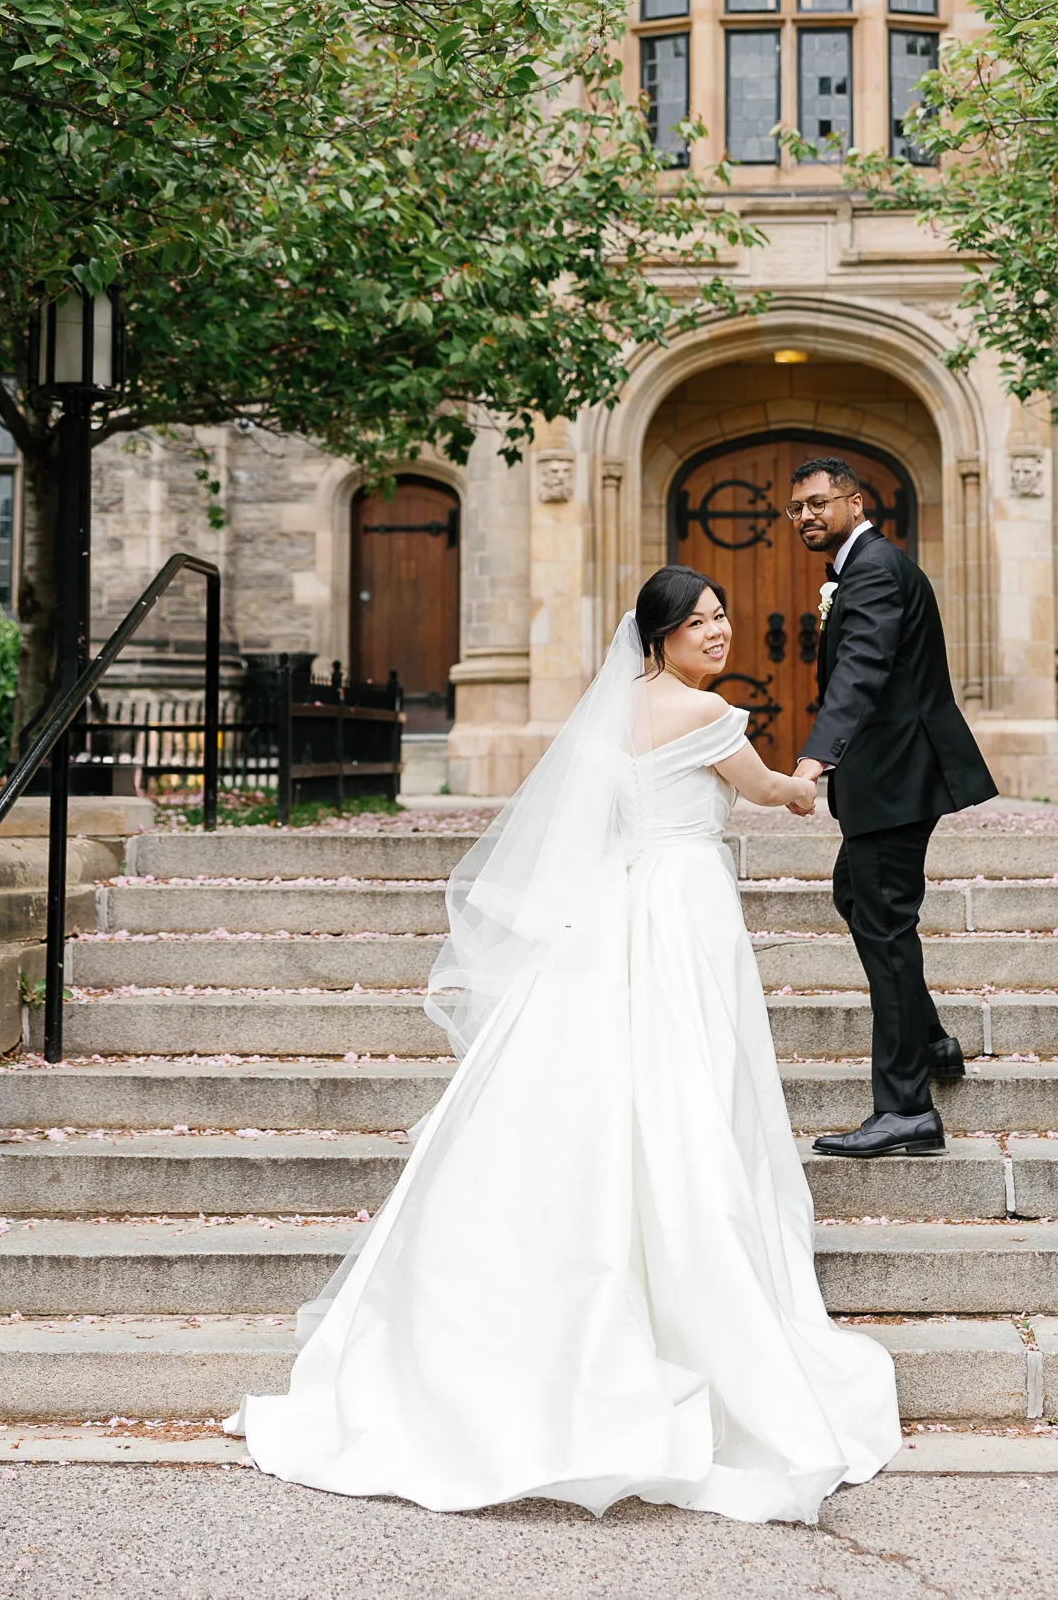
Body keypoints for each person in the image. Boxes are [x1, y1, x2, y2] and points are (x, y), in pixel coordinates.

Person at [227, 564, 901, 1522]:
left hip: (607, 912)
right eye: (700, 623)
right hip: (678, 911)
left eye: (723, 619)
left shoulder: (613, 711)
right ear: (659, 634)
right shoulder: (709, 718)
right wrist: (813, 776)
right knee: (686, 1087)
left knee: (593, 1089)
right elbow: (766, 796)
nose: (718, 633)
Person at [788, 456, 998, 1160]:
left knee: (882, 922)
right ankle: (930, 1036)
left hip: (896, 777)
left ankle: (906, 1107)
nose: (808, 516)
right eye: (797, 509)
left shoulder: (874, 569)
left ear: (854, 501)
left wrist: (815, 759)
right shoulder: (868, 565)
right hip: (895, 777)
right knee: (859, 896)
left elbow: (861, 671)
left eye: (819, 502)